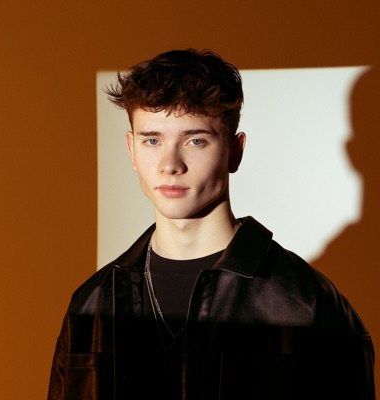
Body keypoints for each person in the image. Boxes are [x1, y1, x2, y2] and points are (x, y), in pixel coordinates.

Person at [47, 49, 375, 400]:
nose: (170, 164)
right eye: (152, 140)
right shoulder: (93, 304)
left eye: (195, 140)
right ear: (131, 150)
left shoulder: (306, 304)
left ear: (235, 151)